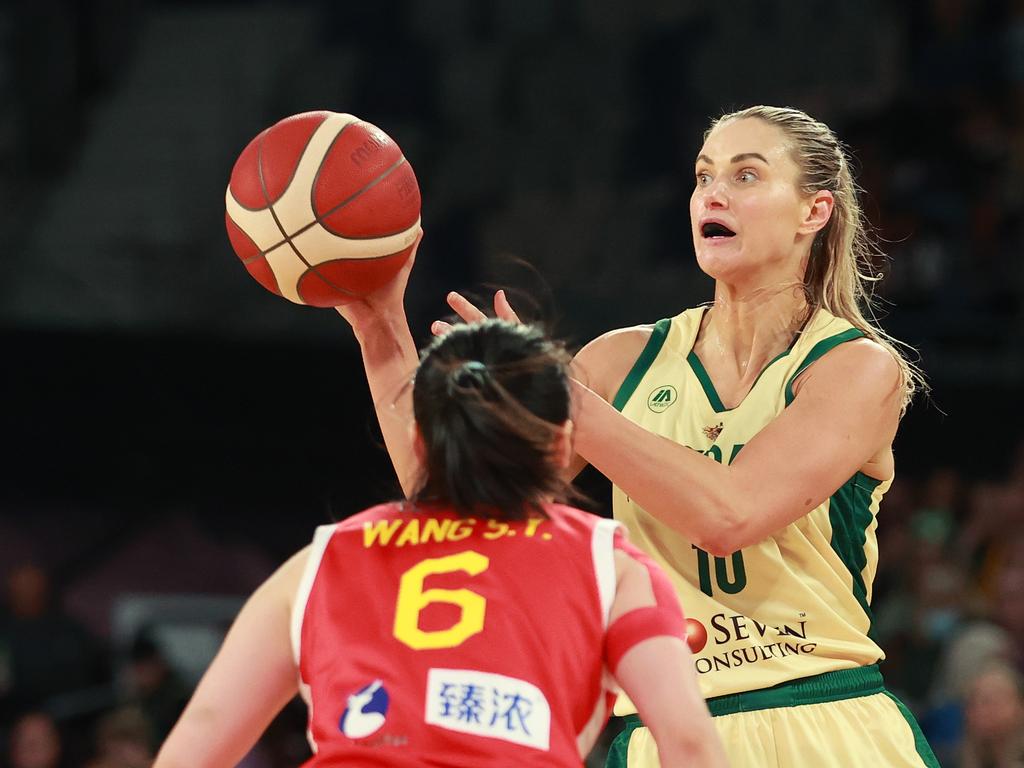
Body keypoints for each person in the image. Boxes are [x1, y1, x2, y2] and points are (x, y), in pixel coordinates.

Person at [340, 105, 940, 767]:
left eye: (746, 175)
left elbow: (730, 513)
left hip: (819, 723)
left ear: (813, 212)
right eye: (703, 175)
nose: (712, 192)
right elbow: (454, 513)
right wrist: (380, 331)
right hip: (660, 735)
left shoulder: (854, 367)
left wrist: (569, 400)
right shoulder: (622, 361)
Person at [153, 320, 726, 767]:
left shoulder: (319, 562)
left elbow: (191, 752)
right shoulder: (610, 564)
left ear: (419, 442)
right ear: (561, 446)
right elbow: (691, 747)